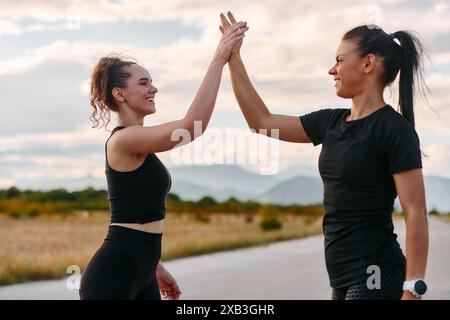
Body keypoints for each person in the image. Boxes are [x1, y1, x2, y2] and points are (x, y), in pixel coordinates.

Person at [219, 11, 429, 300]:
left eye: (340, 60)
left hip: (376, 272)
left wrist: (413, 290)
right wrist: (233, 58)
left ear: (369, 63)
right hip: (341, 276)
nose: (332, 70)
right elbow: (261, 122)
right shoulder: (330, 122)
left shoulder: (394, 130)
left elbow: (415, 212)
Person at [79, 20, 249, 300]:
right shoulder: (123, 140)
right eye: (144, 83)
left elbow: (136, 212)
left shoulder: (141, 144)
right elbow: (192, 127)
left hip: (144, 272)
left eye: (152, 82)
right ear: (119, 94)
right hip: (112, 277)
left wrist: (155, 266)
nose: (154, 89)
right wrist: (219, 58)